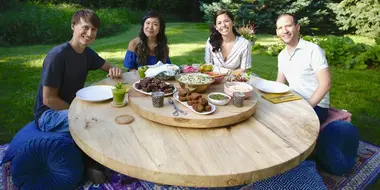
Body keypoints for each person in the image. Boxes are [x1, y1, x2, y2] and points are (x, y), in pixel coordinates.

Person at [33, 9, 123, 183]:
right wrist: (79, 111)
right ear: (73, 26)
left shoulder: (87, 53)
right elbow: (48, 99)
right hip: (48, 115)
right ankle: (90, 164)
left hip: (73, 105)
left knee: (108, 113)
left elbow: (108, 67)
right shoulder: (57, 56)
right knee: (93, 121)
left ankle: (105, 155)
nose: (89, 34)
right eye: (85, 27)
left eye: (94, 30)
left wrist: (115, 70)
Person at [275, 13, 331, 124]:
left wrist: (307, 107)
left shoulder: (313, 50)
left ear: (297, 27)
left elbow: (326, 84)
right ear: (277, 32)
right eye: (280, 28)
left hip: (316, 105)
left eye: (288, 26)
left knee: (284, 123)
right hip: (294, 101)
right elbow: (280, 83)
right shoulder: (282, 55)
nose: (284, 30)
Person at [205, 10, 252, 75]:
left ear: (233, 23)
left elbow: (244, 69)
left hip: (235, 80)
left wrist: (225, 75)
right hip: (215, 78)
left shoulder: (244, 44)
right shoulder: (211, 41)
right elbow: (208, 65)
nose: (223, 25)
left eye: (226, 21)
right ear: (216, 27)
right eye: (219, 23)